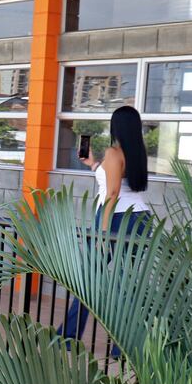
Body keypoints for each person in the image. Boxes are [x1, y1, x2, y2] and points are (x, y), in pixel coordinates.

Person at [60, 106, 152, 340]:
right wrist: (93, 164)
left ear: (116, 126)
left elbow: (112, 193)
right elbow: (111, 182)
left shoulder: (114, 152)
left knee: (88, 279)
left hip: (115, 218)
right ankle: (124, 345)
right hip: (140, 218)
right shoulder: (137, 152)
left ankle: (69, 336)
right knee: (125, 284)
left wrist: (102, 232)